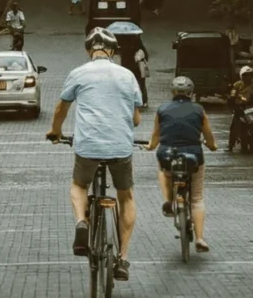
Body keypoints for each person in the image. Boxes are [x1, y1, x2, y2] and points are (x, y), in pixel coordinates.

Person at [47, 27, 142, 281]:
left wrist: (55, 132)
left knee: (79, 185)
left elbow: (60, 109)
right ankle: (122, 258)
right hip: (120, 147)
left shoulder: (78, 73)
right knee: (126, 195)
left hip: (87, 145)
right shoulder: (127, 75)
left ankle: (81, 222)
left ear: (90, 51)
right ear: (111, 51)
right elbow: (135, 118)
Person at [147, 76, 217, 252]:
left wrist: (150, 146)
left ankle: (168, 200)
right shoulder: (199, 110)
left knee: (163, 171)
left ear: (172, 92)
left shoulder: (162, 109)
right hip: (193, 155)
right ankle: (200, 238)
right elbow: (208, 136)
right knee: (196, 198)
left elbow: (156, 136)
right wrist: (212, 146)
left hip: (168, 154)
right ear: (191, 93)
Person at [228, 65, 253, 152]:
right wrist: (234, 106)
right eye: (245, 75)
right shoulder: (236, 85)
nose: (248, 77)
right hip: (240, 108)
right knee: (234, 127)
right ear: (241, 76)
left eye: (250, 75)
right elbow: (232, 96)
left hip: (251, 108)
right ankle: (230, 145)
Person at [119, 37, 149, 108]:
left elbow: (122, 57)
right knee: (141, 84)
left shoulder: (123, 44)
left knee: (130, 84)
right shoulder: (137, 42)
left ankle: (131, 100)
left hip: (128, 68)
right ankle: (144, 101)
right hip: (137, 67)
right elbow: (146, 55)